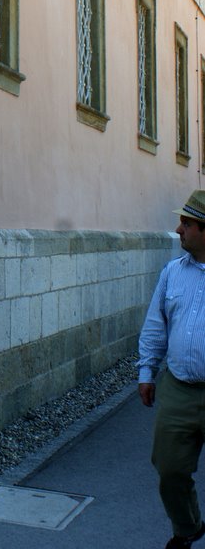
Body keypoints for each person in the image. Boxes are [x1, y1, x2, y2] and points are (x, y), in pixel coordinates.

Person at [139, 189, 205, 549]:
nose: (178, 229)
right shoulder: (172, 273)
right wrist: (146, 372)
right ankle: (189, 527)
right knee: (169, 469)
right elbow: (155, 326)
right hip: (178, 387)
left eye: (187, 223)